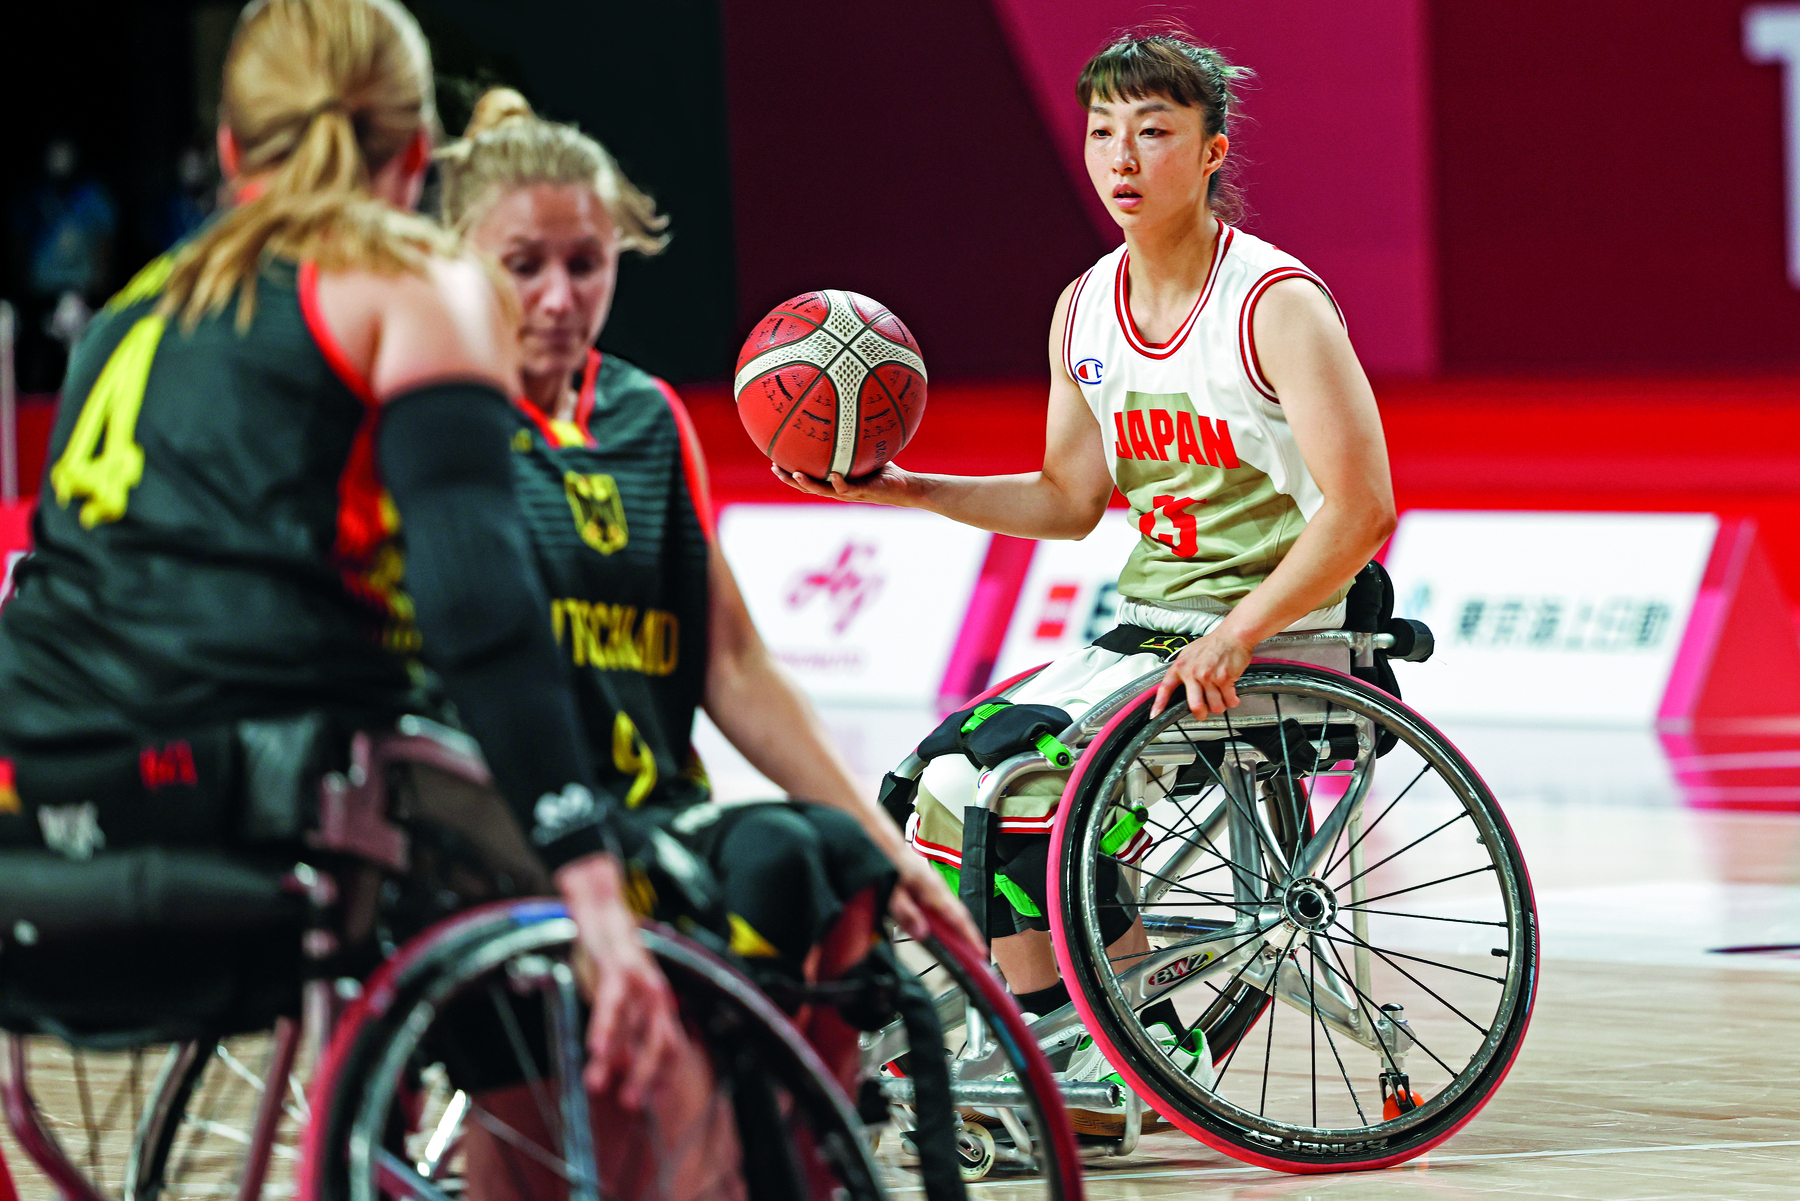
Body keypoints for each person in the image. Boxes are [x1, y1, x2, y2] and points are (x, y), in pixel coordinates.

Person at [0, 2, 730, 1195]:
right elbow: (477, 601)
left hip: (41, 786)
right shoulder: (406, 278)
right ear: (415, 158)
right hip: (259, 780)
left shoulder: (125, 312)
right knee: (630, 996)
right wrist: (583, 870)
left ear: (233, 151)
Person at [781, 30, 1397, 1133]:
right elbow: (1070, 500)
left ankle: (1109, 1059)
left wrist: (1242, 631)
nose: (1122, 155)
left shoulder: (1273, 307)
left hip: (1287, 631)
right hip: (1154, 627)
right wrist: (911, 488)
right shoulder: (1085, 307)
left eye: (1154, 131)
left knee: (1026, 794)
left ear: (1210, 152)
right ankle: (1061, 1040)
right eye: (1104, 130)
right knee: (942, 780)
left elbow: (1361, 511)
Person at [435, 89, 982, 1055]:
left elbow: (730, 664)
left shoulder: (645, 419)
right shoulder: (433, 422)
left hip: (657, 819)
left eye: (586, 264)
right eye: (523, 268)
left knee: (833, 863)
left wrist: (889, 848)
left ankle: (803, 1133)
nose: (559, 299)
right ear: (459, 260)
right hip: (505, 832)